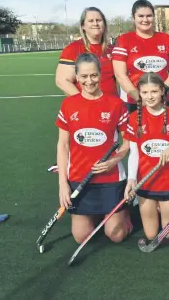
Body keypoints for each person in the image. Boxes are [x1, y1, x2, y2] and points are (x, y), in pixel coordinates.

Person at [55, 53, 131, 244]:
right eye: (84, 76)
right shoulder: (68, 104)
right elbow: (63, 146)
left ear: (100, 74)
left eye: (94, 75)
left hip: (111, 178)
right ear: (77, 77)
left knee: (116, 235)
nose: (89, 81)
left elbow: (129, 142)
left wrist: (114, 160)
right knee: (82, 237)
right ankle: (99, 214)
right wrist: (63, 184)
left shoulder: (116, 104)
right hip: (80, 179)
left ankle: (125, 214)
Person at [123, 72, 169, 242]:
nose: (149, 97)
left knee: (168, 235)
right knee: (151, 235)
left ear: (162, 92)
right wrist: (131, 179)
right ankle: (155, 208)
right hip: (146, 180)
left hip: (168, 180)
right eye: (145, 93)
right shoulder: (134, 118)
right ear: (139, 94)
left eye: (154, 92)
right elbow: (134, 152)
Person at [112, 0, 169, 112]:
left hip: (162, 99)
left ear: (154, 17)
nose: (145, 20)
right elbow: (120, 75)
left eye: (149, 16)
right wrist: (139, 98)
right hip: (133, 102)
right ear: (133, 17)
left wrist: (161, 92)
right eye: (141, 16)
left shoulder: (166, 39)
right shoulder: (124, 40)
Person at [56, 7, 117, 97]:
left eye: (98, 20)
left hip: (112, 106)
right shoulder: (73, 49)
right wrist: (85, 101)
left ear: (104, 24)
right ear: (83, 26)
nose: (95, 24)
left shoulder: (113, 49)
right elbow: (62, 81)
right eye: (91, 21)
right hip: (86, 107)